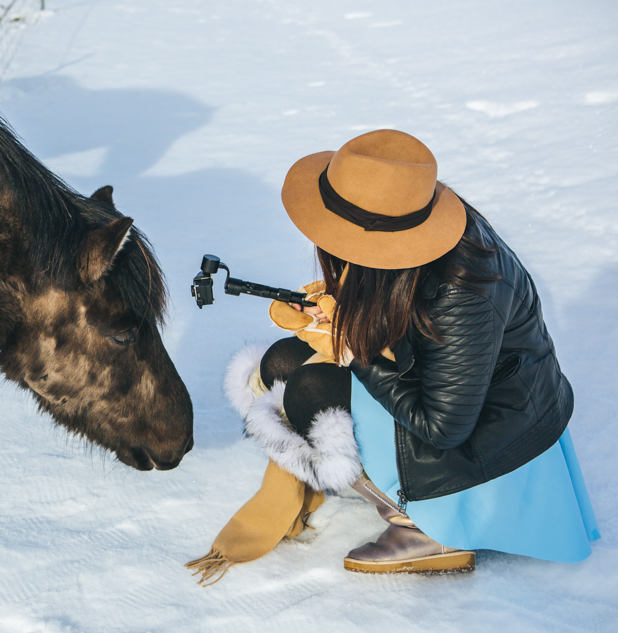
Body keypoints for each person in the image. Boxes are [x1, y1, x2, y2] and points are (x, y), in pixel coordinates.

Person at [190, 129, 599, 581]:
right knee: (282, 363)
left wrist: (354, 350)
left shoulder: (464, 291)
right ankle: (382, 484)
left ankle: (428, 528)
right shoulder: (413, 236)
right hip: (452, 393)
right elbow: (401, 296)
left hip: (491, 444)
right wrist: (335, 306)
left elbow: (444, 427)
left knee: (309, 389)